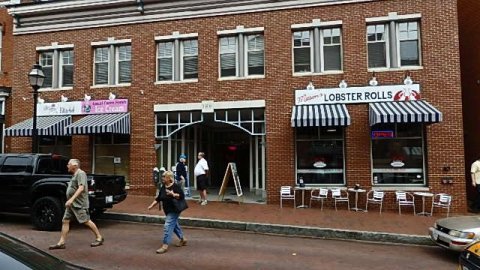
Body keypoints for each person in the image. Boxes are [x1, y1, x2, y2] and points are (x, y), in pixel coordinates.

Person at [49, 159, 104, 250]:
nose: (67, 166)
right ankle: (61, 242)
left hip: (79, 204)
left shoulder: (81, 173)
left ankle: (99, 237)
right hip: (72, 204)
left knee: (86, 220)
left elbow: (81, 188)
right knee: (65, 221)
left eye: (68, 164)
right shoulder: (74, 175)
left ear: (75, 165)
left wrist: (71, 199)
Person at [147, 170, 187, 254]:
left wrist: (173, 194)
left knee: (168, 226)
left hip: (175, 210)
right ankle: (183, 239)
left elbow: (182, 196)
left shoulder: (175, 187)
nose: (162, 178)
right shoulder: (163, 187)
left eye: (164, 177)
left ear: (169, 178)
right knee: (174, 225)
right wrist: (151, 206)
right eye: (162, 177)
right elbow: (158, 198)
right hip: (167, 211)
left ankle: (165, 245)